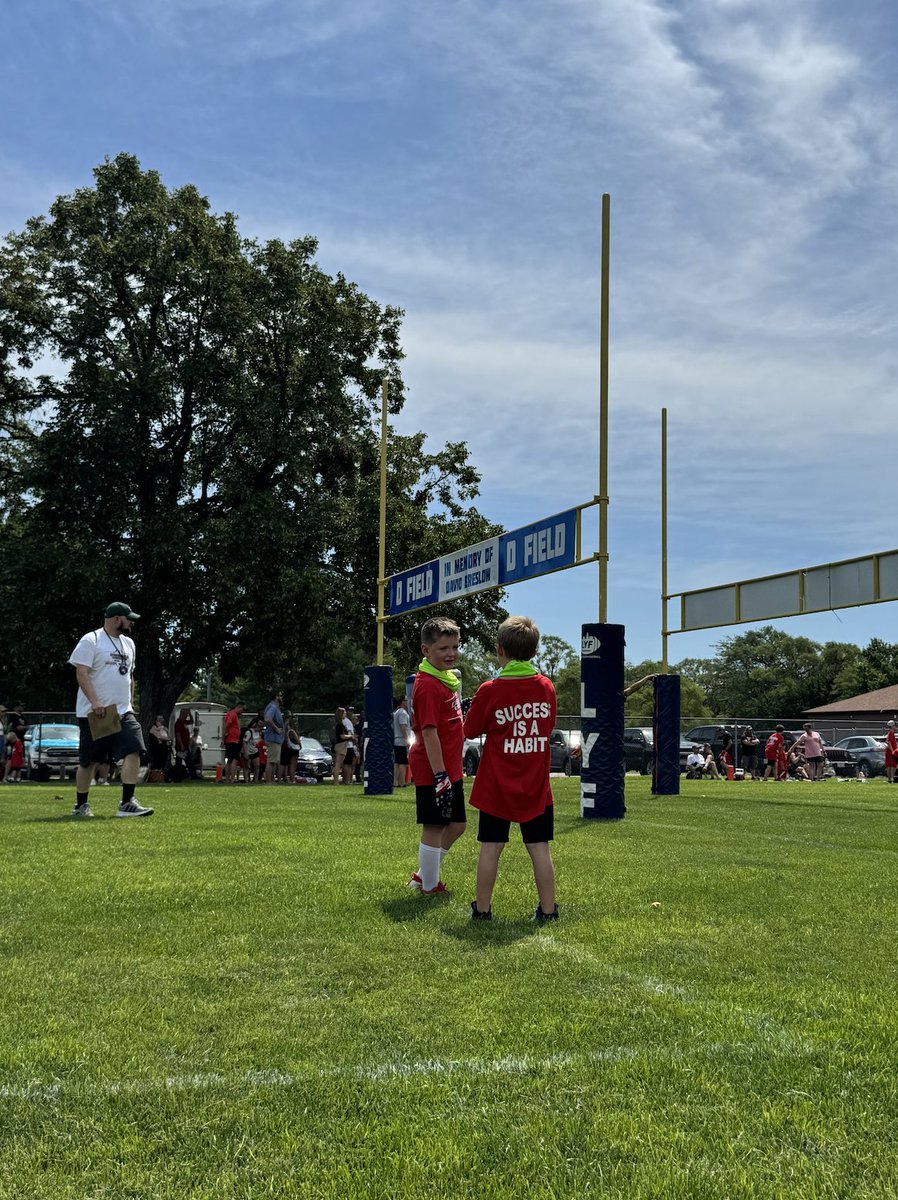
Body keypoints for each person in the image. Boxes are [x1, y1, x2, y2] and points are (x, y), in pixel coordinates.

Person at [463, 615, 558, 921]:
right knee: (539, 847)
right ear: (534, 651)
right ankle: (548, 910)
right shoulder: (546, 687)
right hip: (535, 782)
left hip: (497, 782)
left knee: (491, 846)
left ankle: (483, 909)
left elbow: (469, 729)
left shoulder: (491, 689)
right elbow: (547, 726)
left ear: (499, 649)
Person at [67, 601, 153, 818]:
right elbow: (82, 673)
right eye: (128, 619)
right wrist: (95, 702)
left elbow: (129, 676)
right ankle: (81, 805)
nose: (131, 622)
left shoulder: (129, 644)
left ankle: (127, 804)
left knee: (134, 749)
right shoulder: (91, 640)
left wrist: (130, 703)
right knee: (90, 761)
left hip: (123, 711)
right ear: (117, 619)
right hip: (97, 712)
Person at [407, 615, 466, 895]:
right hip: (434, 768)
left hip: (450, 767)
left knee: (457, 824)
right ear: (426, 651)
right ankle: (429, 886)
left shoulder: (446, 679)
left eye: (455, 647)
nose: (451, 654)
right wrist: (440, 775)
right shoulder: (428, 684)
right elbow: (428, 733)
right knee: (434, 825)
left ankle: (422, 875)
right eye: (443, 649)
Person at [262, 690, 285, 784]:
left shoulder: (275, 707)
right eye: (280, 695)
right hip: (273, 738)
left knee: (274, 761)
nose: (282, 697)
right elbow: (268, 718)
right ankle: (268, 782)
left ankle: (272, 781)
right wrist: (276, 729)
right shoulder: (273, 707)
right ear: (276, 697)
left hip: (276, 739)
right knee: (271, 761)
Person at [223, 702, 245, 783]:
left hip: (231, 739)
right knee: (234, 760)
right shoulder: (233, 714)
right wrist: (225, 733)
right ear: (239, 707)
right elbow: (228, 724)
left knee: (229, 760)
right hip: (232, 740)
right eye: (242, 709)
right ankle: (231, 779)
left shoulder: (230, 713)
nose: (242, 712)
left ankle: (228, 779)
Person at [393, 695, 412, 788]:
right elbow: (402, 726)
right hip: (401, 740)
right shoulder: (403, 713)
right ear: (401, 702)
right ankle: (401, 782)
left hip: (396, 740)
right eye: (405, 700)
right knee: (403, 762)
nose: (407, 702)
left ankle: (395, 781)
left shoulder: (396, 712)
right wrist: (407, 738)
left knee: (397, 762)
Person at [331, 707, 353, 783]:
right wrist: (351, 736)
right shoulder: (340, 725)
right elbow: (342, 736)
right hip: (341, 745)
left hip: (341, 745)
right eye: (344, 713)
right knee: (338, 764)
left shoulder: (340, 724)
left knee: (339, 764)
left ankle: (336, 780)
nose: (346, 714)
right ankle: (336, 781)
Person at [885, 720, 897, 785]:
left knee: (890, 765)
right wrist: (893, 752)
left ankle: (890, 779)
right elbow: (889, 743)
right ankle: (892, 779)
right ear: (892, 726)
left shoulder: (890, 733)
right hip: (891, 751)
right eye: (895, 726)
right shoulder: (891, 733)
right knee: (892, 765)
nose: (896, 727)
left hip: (889, 751)